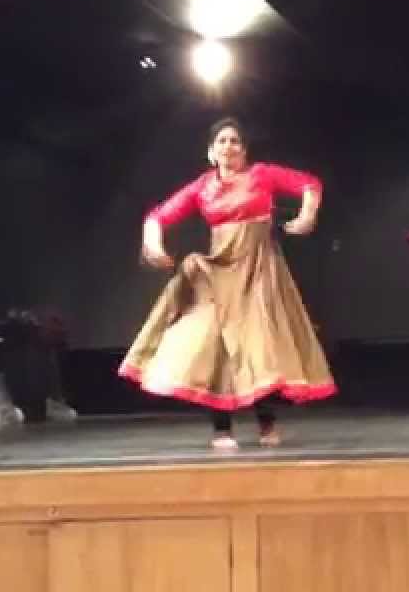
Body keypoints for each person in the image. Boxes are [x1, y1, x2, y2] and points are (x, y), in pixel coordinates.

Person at [121, 117, 336, 450]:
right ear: (211, 152)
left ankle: (267, 424)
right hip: (220, 272)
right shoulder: (202, 187)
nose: (229, 146)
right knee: (213, 346)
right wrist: (155, 245)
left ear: (244, 150)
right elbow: (158, 217)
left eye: (235, 141)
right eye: (221, 141)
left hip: (258, 272)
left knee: (259, 345)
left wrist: (307, 215)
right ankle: (221, 429)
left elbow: (308, 184)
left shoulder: (261, 175)